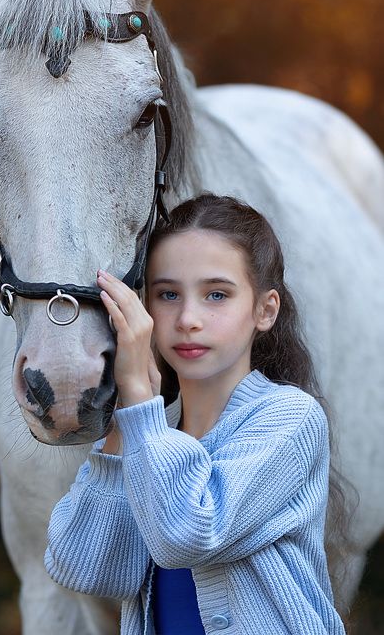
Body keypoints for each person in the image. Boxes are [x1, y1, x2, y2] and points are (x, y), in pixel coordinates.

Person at [44, 192, 349, 634]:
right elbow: (86, 568)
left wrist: (141, 409)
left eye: (216, 295)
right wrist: (124, 424)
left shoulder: (289, 418)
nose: (188, 318)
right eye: (167, 294)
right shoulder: (150, 428)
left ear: (264, 310)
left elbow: (186, 533)